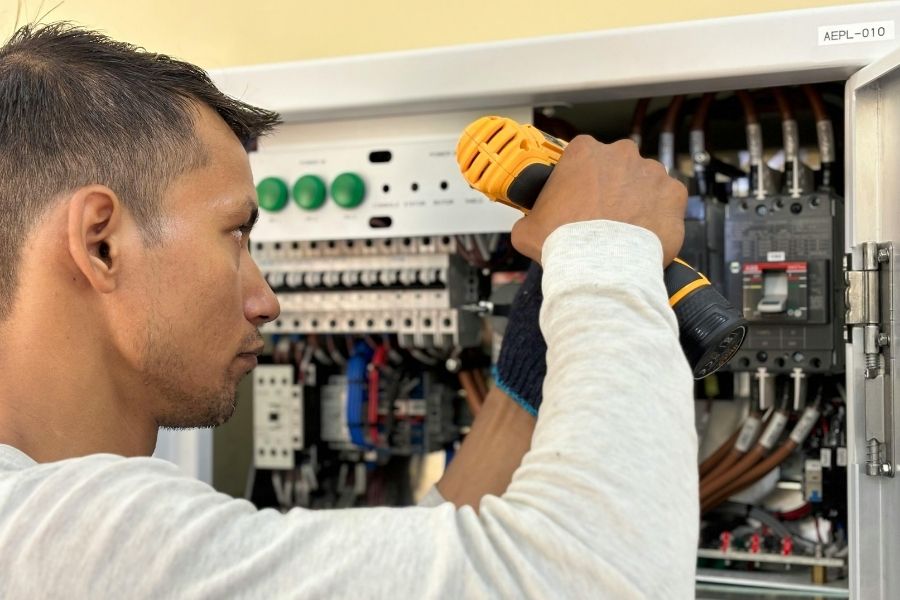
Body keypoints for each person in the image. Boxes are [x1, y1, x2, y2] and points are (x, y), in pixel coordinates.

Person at [0, 23, 697, 598]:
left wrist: (528, 378)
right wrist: (606, 253)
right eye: (235, 235)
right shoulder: (67, 542)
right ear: (101, 243)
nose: (264, 299)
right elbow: (601, 578)